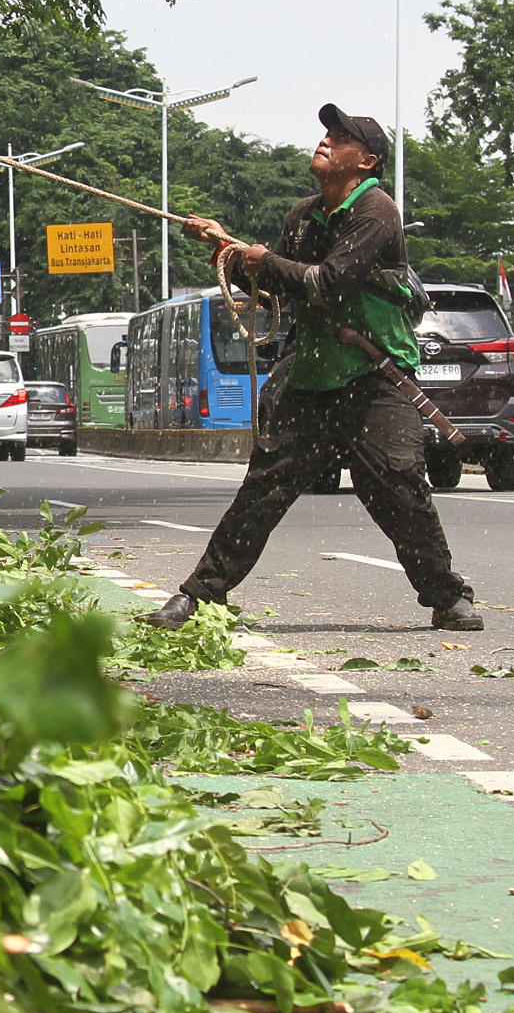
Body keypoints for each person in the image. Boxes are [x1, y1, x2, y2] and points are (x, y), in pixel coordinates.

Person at [145, 103, 484, 633]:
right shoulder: (304, 214)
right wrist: (227, 250)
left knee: (399, 489)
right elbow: (279, 282)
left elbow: (328, 284)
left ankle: (446, 596)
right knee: (264, 488)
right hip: (312, 376)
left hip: (374, 378)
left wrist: (260, 259)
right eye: (327, 132)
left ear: (366, 160)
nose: (326, 140)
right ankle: (199, 596)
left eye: (341, 137)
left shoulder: (377, 212)